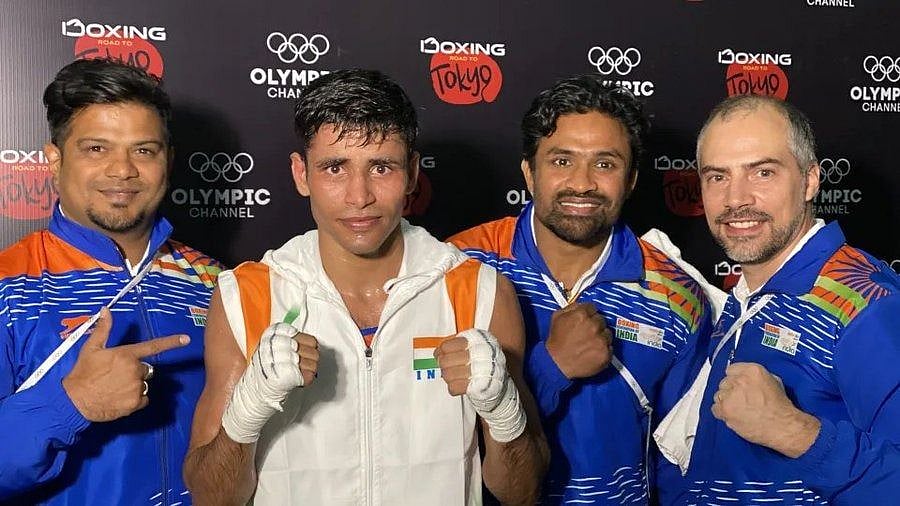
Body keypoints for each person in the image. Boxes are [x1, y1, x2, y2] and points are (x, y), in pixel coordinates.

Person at [183, 69, 548, 505]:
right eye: (335, 167)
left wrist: (504, 411)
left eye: (381, 167)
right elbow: (211, 497)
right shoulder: (246, 297)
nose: (359, 197)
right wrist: (246, 413)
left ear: (412, 174)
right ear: (301, 174)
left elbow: (523, 492)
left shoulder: (479, 292)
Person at [449, 75, 712, 504]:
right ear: (529, 173)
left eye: (605, 164)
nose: (583, 183)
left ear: (630, 180)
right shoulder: (462, 266)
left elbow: (681, 462)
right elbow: (428, 427)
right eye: (561, 161)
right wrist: (551, 366)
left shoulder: (677, 297)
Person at [657, 94, 900, 504]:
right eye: (717, 177)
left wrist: (793, 431)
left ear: (810, 180)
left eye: (763, 172)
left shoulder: (866, 304)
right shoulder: (745, 297)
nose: (736, 199)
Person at [0, 58, 221, 504]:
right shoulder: (10, 284)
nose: (122, 170)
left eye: (144, 150)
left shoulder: (214, 280)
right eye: (96, 149)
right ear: (54, 159)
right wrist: (70, 404)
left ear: (168, 160)